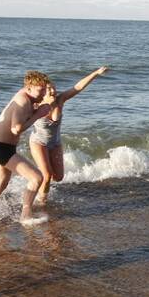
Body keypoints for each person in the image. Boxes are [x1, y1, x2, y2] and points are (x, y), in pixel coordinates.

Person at [29, 65, 109, 202]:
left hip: (55, 143)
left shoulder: (60, 100)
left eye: (54, 87)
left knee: (58, 177)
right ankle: (42, 200)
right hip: (38, 142)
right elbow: (17, 113)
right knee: (47, 175)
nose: (53, 91)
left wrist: (96, 73)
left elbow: (78, 87)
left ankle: (39, 181)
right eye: (49, 89)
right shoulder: (35, 105)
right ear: (42, 92)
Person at [0, 71, 52, 220]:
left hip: (0, 146)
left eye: (45, 89)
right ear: (28, 88)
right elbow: (16, 128)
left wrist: (37, 109)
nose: (44, 94)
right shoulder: (22, 101)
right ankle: (25, 215)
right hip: (2, 149)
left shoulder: (27, 96)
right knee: (37, 178)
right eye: (41, 91)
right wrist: (38, 114)